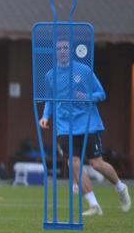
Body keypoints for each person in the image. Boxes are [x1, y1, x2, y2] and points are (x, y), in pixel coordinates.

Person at [39, 39, 130, 216]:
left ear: (71, 50)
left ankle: (120, 187)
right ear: (55, 52)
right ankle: (94, 205)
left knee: (96, 164)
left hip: (87, 123)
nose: (62, 51)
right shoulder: (50, 75)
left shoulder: (83, 70)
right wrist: (45, 116)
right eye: (58, 48)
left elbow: (101, 94)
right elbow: (50, 100)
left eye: (65, 47)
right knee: (73, 164)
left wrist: (85, 96)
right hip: (65, 126)